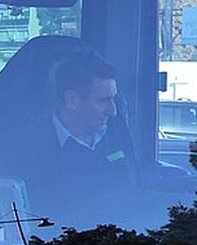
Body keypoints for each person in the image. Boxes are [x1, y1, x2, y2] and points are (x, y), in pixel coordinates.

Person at [19, 52, 135, 217]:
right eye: (103, 101)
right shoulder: (32, 147)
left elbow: (134, 189)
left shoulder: (116, 128)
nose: (113, 111)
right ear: (72, 100)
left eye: (114, 99)